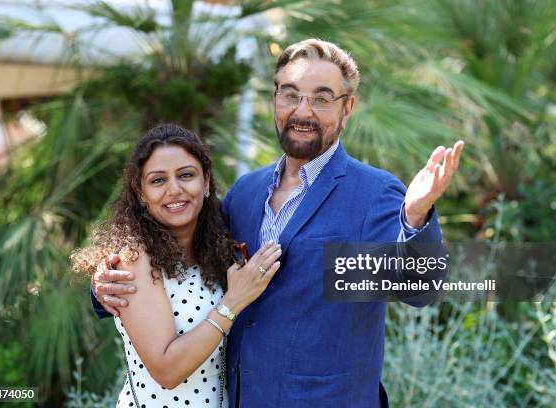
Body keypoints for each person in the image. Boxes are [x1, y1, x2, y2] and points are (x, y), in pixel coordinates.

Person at [92, 39, 464, 407]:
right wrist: (107, 285)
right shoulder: (245, 193)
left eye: (321, 99)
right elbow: (181, 255)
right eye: (290, 95)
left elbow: (419, 289)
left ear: (347, 108)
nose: (303, 111)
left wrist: (415, 216)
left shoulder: (374, 193)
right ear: (275, 100)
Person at [72, 124, 281, 407]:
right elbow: (167, 370)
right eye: (158, 180)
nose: (174, 190)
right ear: (140, 191)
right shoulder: (134, 259)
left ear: (206, 182)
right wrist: (233, 301)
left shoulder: (218, 247)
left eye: (186, 175)